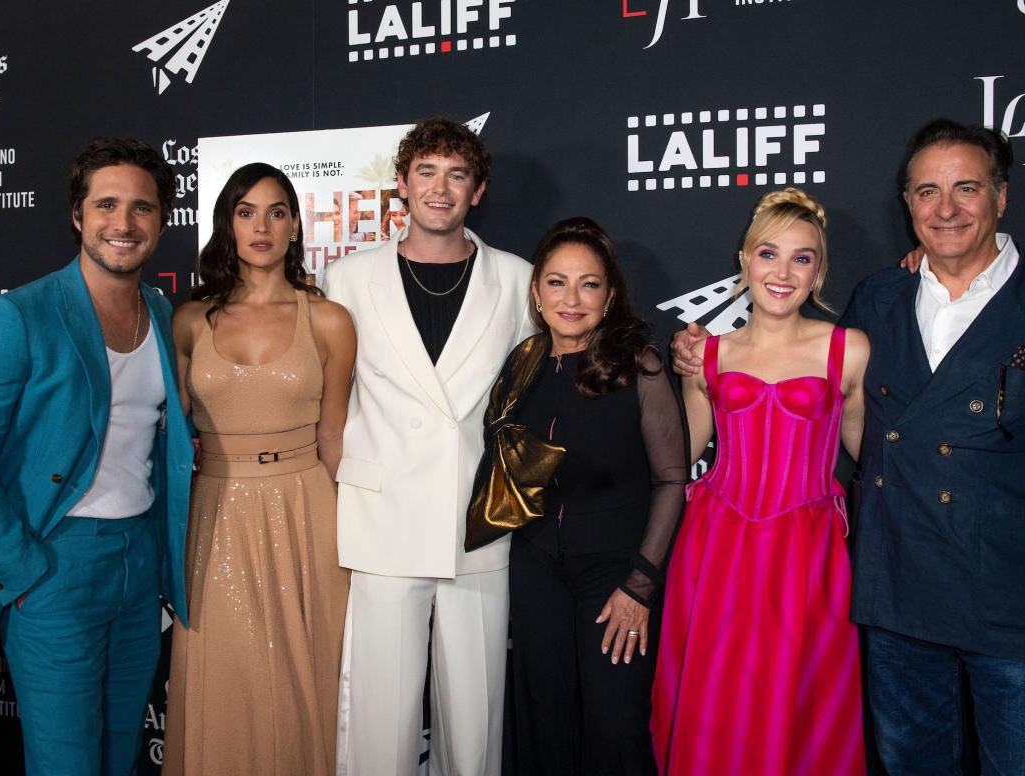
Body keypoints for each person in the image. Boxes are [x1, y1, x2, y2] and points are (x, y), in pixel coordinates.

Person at [837, 119, 1025, 775]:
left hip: (1015, 611)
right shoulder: (878, 299)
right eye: (927, 191)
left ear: (1001, 196)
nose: (945, 209)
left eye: (966, 188)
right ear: (907, 205)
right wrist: (702, 359)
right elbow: (810, 385)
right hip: (898, 599)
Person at [0, 137, 192, 776]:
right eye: (106, 205)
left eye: (142, 208)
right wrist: (26, 571)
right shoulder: (17, 316)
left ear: (161, 222)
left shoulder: (163, 312)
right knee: (66, 763)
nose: (123, 223)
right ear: (78, 217)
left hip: (139, 568)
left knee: (120, 752)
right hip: (55, 564)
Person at [323, 116, 534, 776]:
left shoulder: (517, 279)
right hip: (382, 523)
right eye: (427, 173)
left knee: (475, 728)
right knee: (378, 729)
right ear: (402, 185)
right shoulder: (347, 279)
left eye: (457, 174)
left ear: (478, 190)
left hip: (479, 525)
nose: (440, 189)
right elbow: (327, 402)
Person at [652, 188, 869, 775]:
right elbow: (681, 454)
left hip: (808, 555)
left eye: (802, 258)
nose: (782, 271)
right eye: (768, 253)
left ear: (819, 271)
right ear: (744, 260)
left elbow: (873, 457)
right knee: (715, 704)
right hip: (717, 547)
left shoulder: (848, 350)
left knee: (801, 707)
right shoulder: (707, 354)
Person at [162, 163, 355, 776]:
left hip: (306, 508)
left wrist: (353, 535)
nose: (262, 226)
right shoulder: (191, 319)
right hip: (215, 511)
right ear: (228, 224)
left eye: (276, 211)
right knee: (225, 675)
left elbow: (334, 434)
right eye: (246, 212)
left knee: (306, 676)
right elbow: (168, 433)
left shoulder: (328, 320)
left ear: (296, 225)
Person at [495, 217, 686, 775]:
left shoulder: (639, 366)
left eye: (589, 283)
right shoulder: (521, 366)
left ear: (610, 295)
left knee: (613, 724)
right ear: (536, 292)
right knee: (545, 721)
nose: (571, 299)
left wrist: (640, 585)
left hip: (615, 578)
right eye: (556, 282)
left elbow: (672, 480)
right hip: (534, 572)